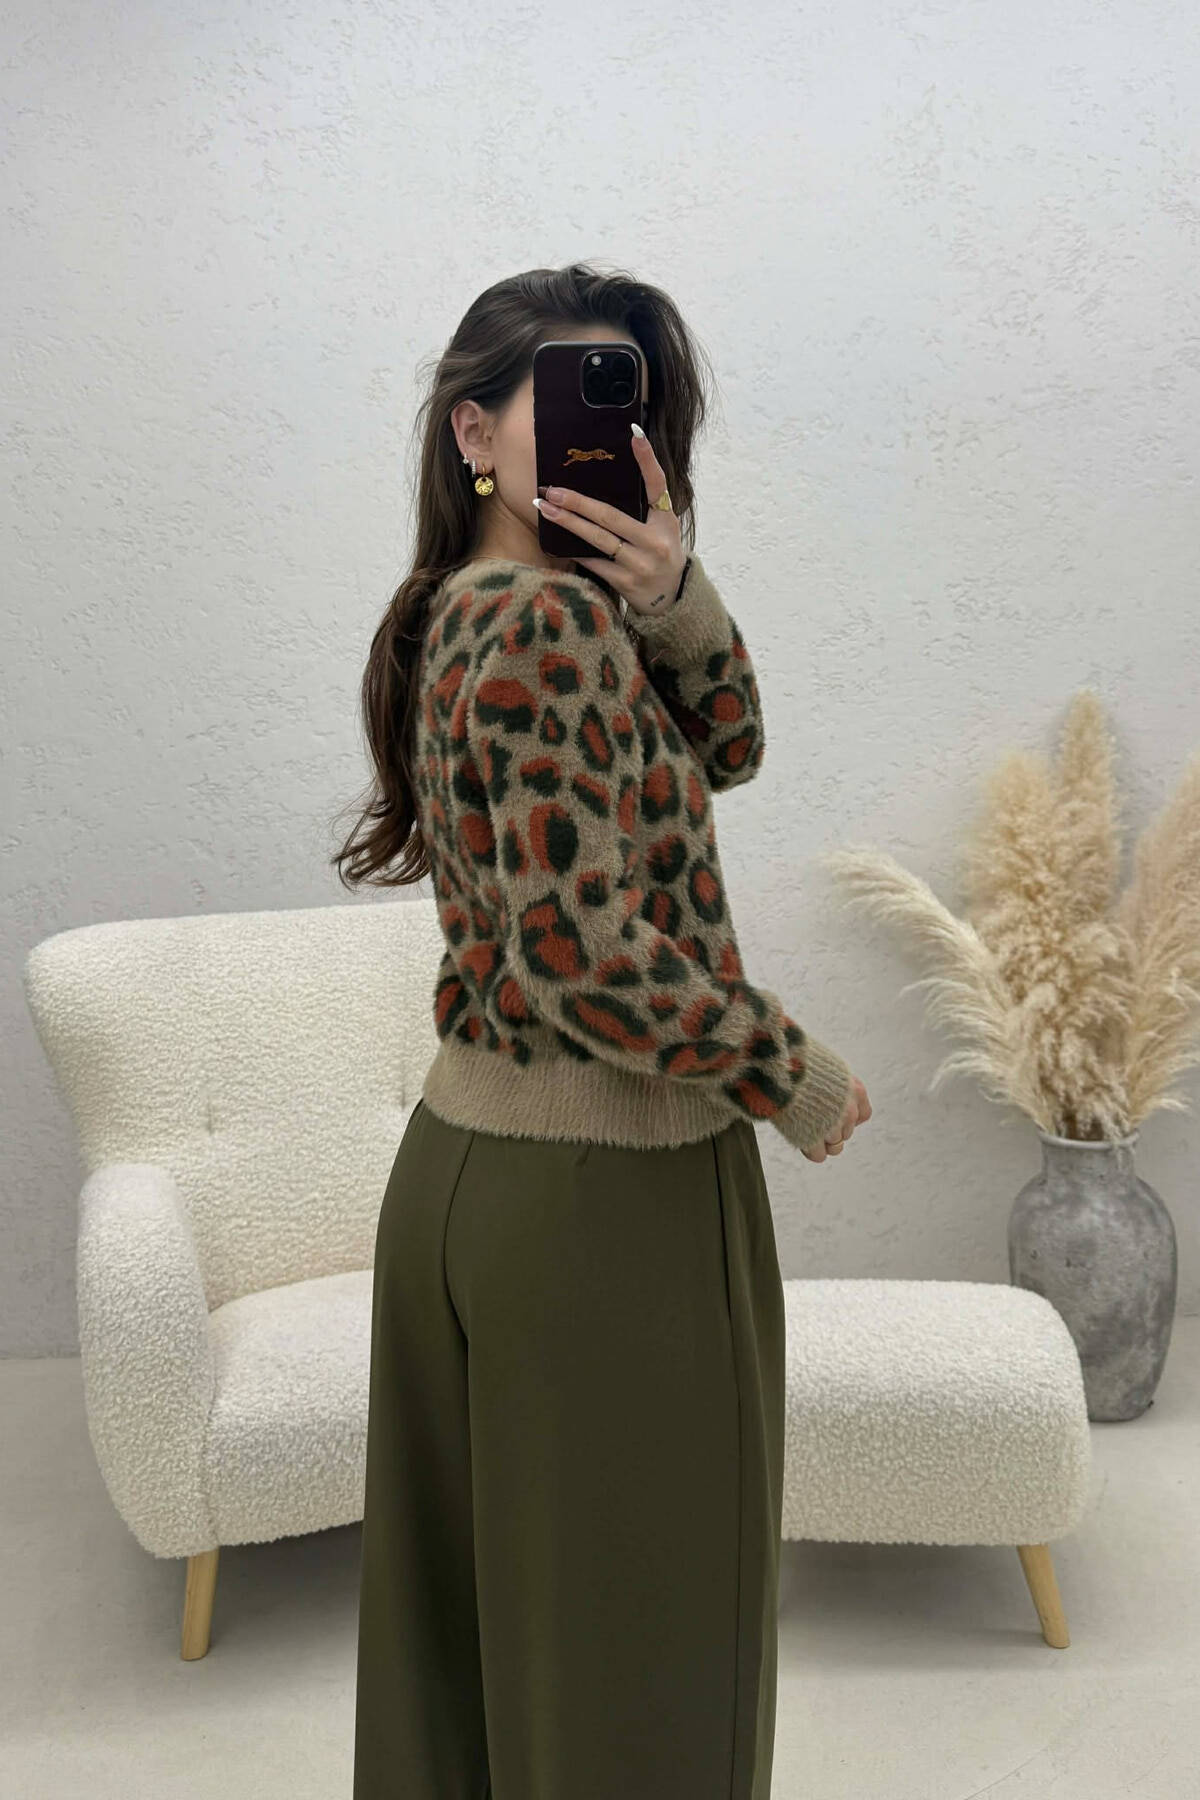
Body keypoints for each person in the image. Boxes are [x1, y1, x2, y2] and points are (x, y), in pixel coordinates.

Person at [336, 261, 872, 1800]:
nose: (611, 436)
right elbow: (581, 958)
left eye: (631, 406)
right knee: (649, 1665)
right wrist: (790, 1074)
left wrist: (672, 595)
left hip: (476, 1172)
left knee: (476, 1667)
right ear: (474, 434)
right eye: (568, 396)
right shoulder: (544, 629)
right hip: (600, 1195)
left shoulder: (476, 608)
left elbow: (728, 748)